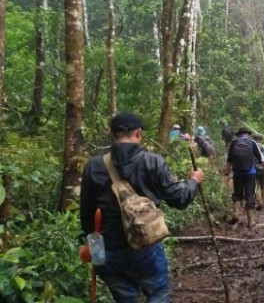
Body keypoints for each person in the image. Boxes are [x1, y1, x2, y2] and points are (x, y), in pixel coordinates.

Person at [80, 112, 205, 302]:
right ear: (138, 133)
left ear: (111, 134)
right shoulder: (152, 161)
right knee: (158, 294)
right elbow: (179, 199)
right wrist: (193, 182)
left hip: (109, 250)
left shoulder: (93, 166)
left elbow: (86, 214)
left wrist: (91, 243)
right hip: (146, 246)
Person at [223, 127, 264, 229]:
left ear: (239, 135)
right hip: (250, 174)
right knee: (250, 195)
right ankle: (250, 222)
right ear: (247, 134)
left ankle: (236, 214)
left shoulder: (233, 143)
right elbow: (262, 159)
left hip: (237, 173)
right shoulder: (252, 143)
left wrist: (226, 174)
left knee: (237, 194)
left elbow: (229, 160)